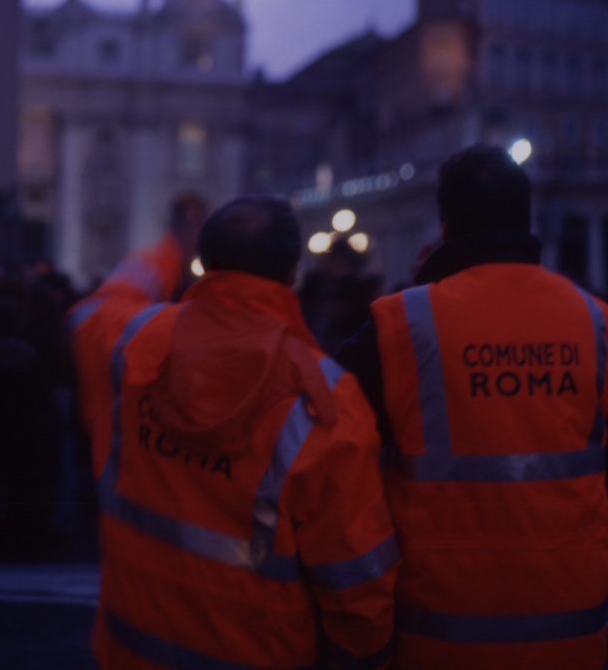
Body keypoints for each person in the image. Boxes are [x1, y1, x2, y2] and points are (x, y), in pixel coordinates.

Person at [70, 194, 397, 669]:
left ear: (203, 262)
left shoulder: (137, 336)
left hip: (130, 647)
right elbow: (354, 572)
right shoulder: (326, 398)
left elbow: (93, 311)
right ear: (292, 272)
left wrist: (170, 247)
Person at [339, 144, 608, 670]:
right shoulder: (598, 321)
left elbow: (337, 461)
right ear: (526, 217)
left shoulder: (402, 324)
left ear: (445, 222)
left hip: (441, 632)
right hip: (571, 631)